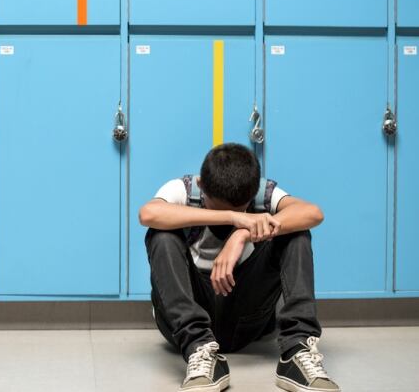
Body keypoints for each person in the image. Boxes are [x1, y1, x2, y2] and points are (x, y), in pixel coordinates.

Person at [139, 142, 340, 392]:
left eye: (241, 208)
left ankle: (296, 350)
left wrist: (241, 235)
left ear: (252, 192)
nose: (237, 216)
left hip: (246, 316)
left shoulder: (261, 193)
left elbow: (313, 213)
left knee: (295, 232)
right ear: (202, 186)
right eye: (217, 206)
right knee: (161, 235)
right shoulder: (184, 189)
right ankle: (200, 350)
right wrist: (235, 217)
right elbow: (148, 214)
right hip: (185, 321)